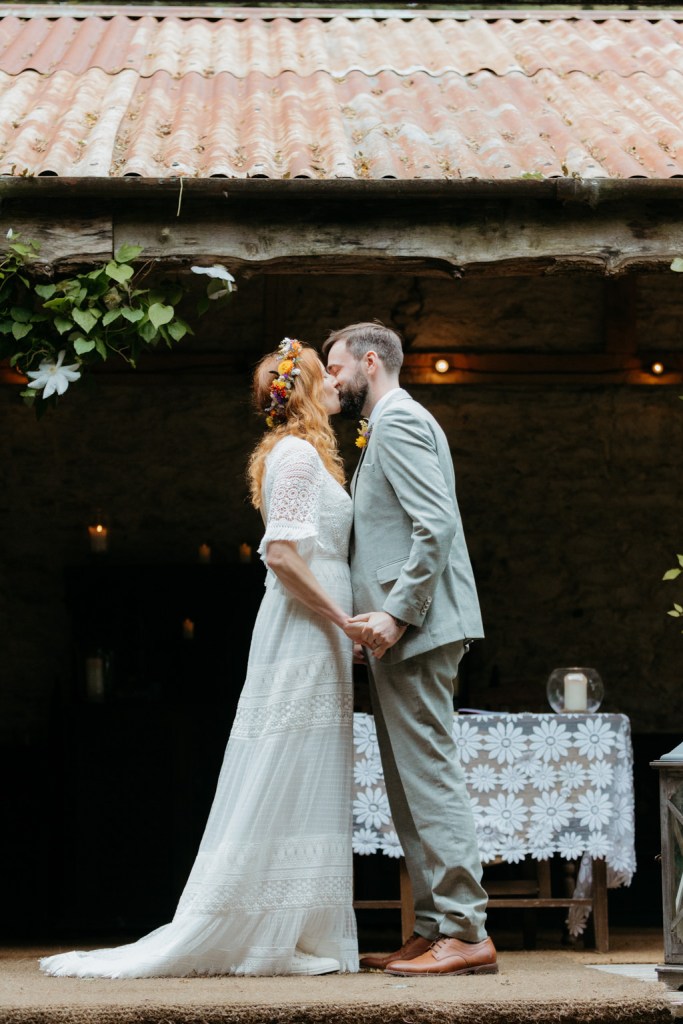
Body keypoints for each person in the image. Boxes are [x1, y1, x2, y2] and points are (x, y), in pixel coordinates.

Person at [39, 338, 360, 978]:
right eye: (326, 376)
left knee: (307, 765)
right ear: (303, 389)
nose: (336, 386)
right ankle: (256, 924)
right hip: (305, 631)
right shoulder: (295, 454)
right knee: (284, 757)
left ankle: (301, 926)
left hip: (319, 633)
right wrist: (343, 621)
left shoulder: (308, 455)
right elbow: (282, 554)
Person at [323, 321, 498, 977]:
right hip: (403, 634)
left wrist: (396, 615)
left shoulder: (399, 420)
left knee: (428, 777)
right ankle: (432, 928)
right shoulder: (386, 424)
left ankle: (464, 931)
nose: (331, 381)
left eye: (335, 368)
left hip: (419, 630)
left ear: (371, 361)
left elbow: (436, 523)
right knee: (406, 786)